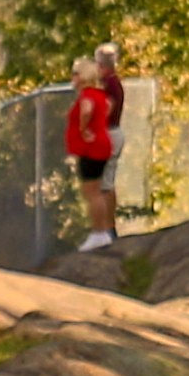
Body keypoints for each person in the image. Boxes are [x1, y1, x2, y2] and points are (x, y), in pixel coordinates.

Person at [65, 48, 126, 252]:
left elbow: (91, 110)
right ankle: (105, 230)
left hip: (99, 143)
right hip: (104, 139)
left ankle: (102, 232)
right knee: (101, 187)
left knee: (96, 190)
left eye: (76, 74)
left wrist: (85, 128)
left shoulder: (96, 91)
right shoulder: (105, 87)